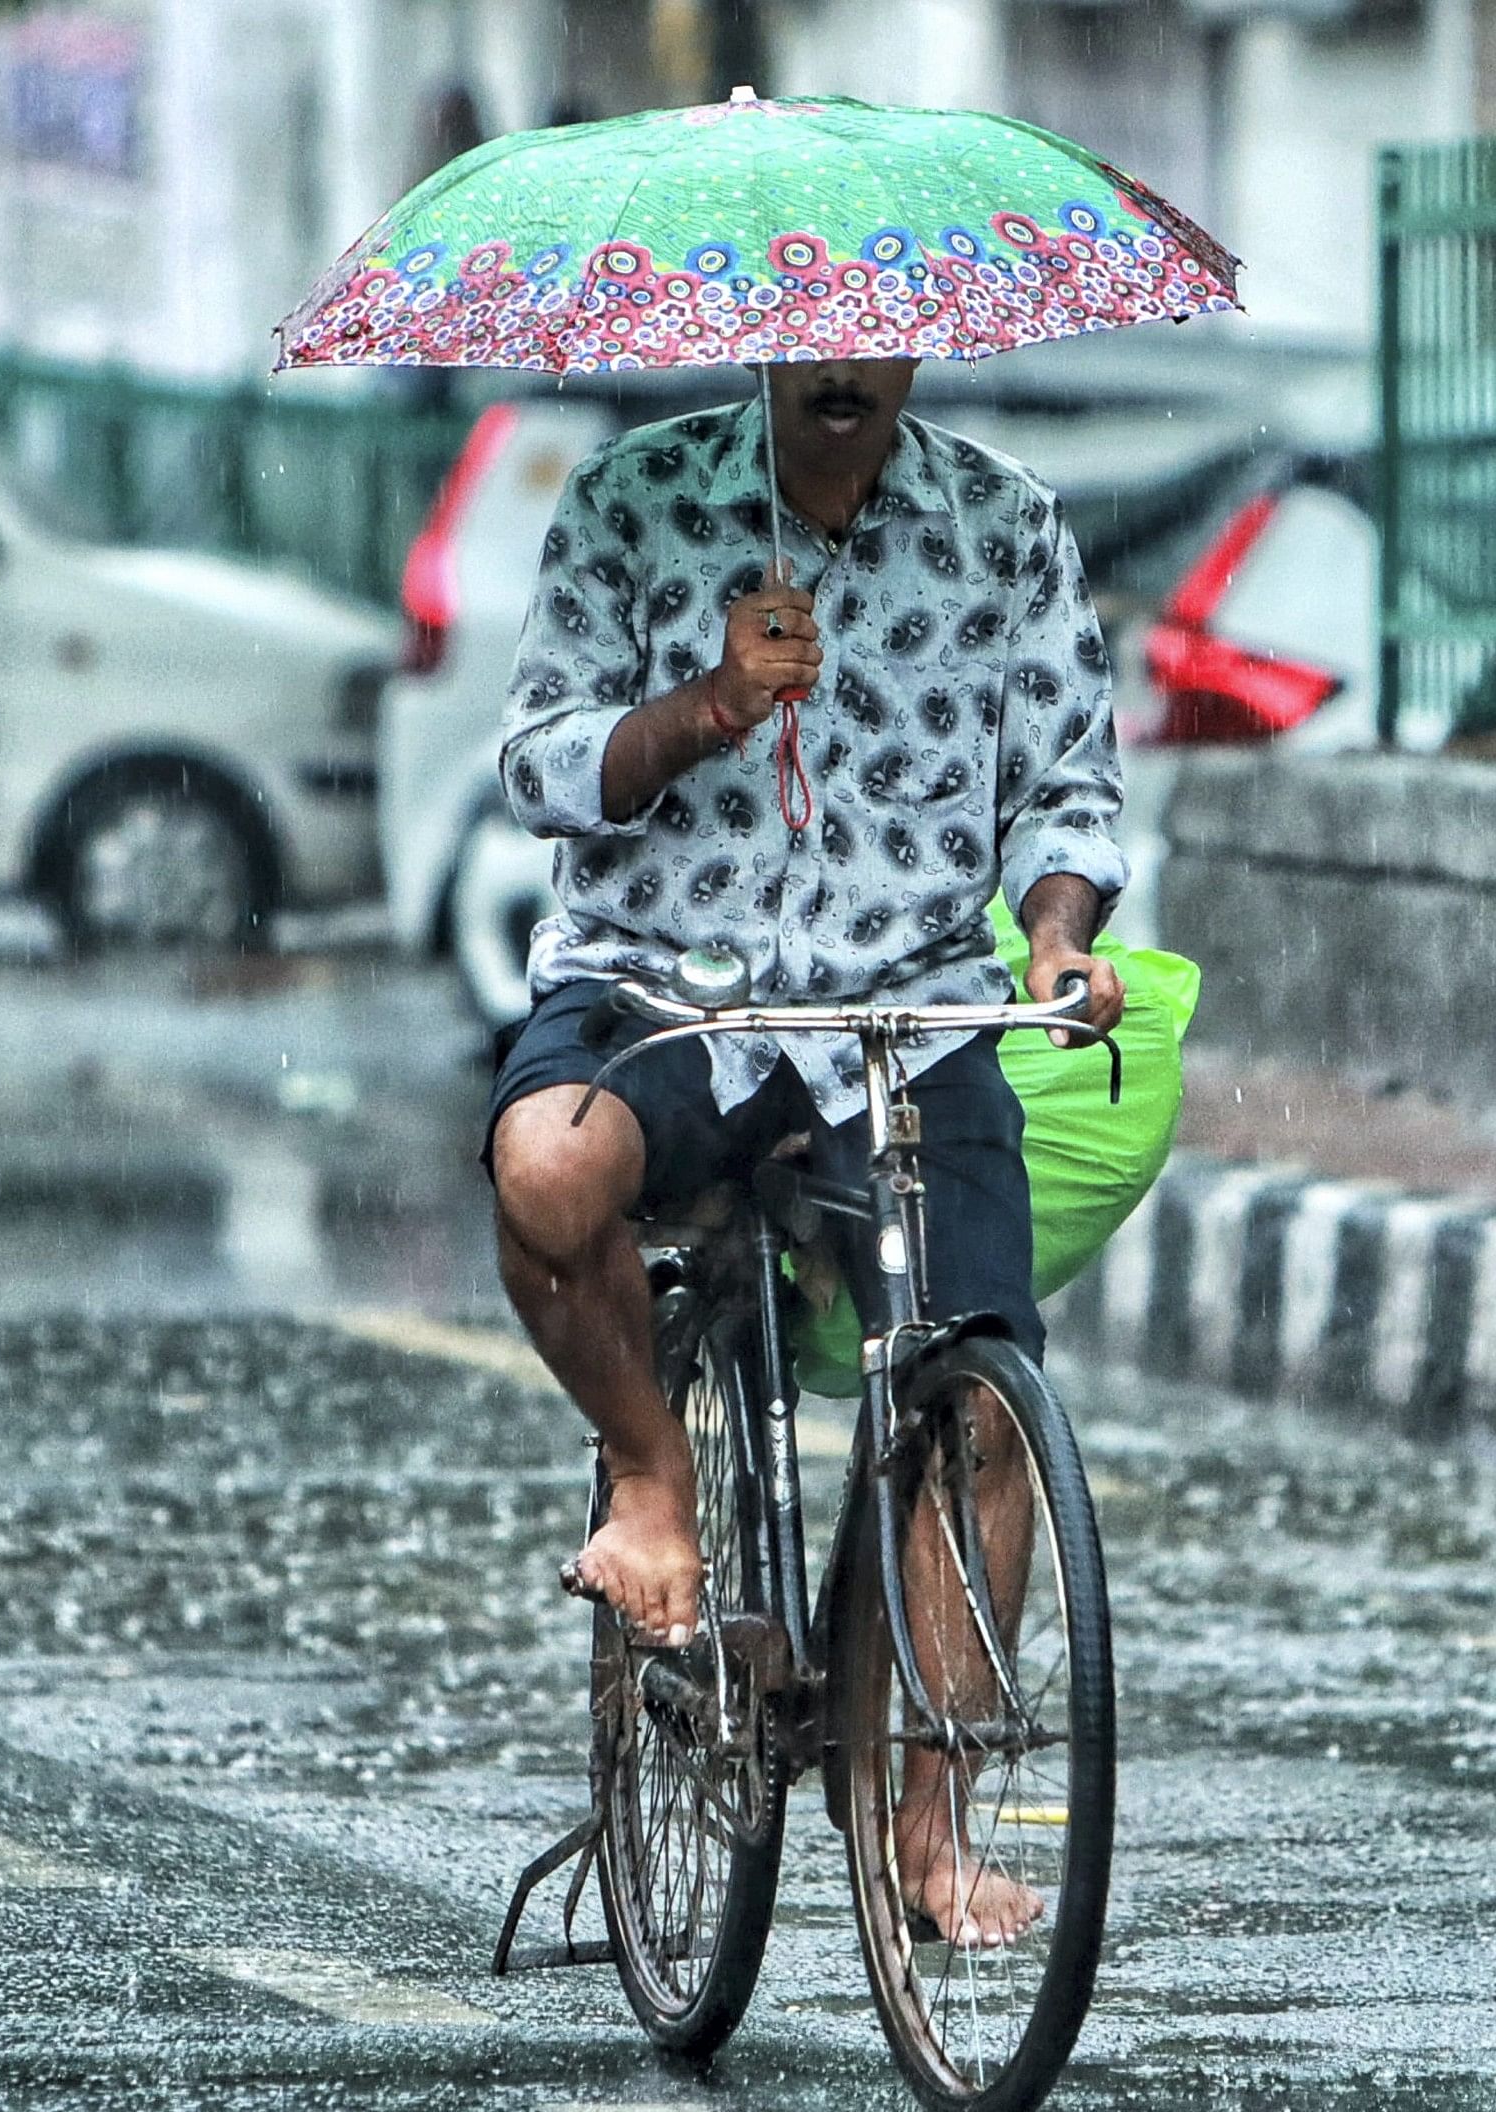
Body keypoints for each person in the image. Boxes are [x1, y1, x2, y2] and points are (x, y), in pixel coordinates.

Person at [483, 358, 1128, 1949]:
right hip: (664, 988)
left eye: (873, 337)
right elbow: (539, 767)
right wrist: (703, 707)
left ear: (910, 346)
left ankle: (925, 1818)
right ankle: (651, 1482)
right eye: (810, 339)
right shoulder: (634, 502)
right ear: (768, 349)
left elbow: (1069, 800)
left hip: (905, 1019)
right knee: (546, 1173)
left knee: (980, 1402)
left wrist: (1054, 945)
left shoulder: (1006, 525)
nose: (842, 369)